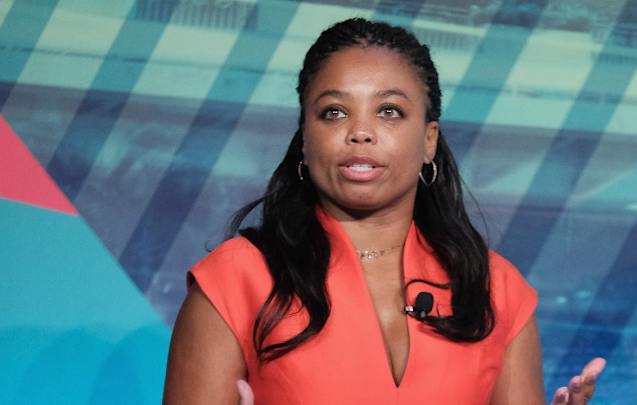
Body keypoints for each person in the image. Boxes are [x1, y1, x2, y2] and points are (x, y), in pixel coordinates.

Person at [163, 18, 605, 405]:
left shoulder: (496, 291)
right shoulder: (234, 282)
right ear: (304, 140)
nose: (360, 132)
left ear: (429, 140)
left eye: (389, 111)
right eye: (334, 112)